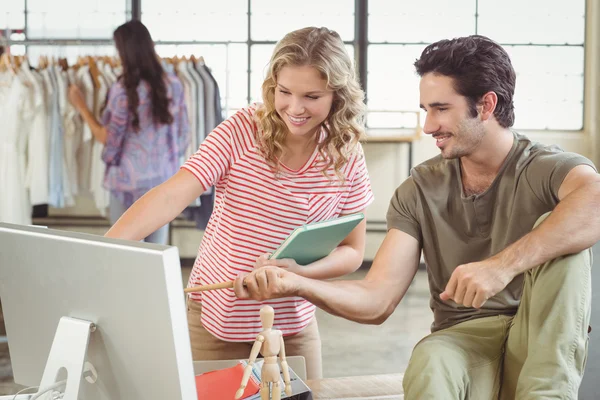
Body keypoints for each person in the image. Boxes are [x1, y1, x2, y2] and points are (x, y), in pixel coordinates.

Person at [236, 35, 600, 399]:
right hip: (465, 337)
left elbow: (594, 199)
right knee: (429, 357)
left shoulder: (543, 168)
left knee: (566, 232)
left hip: (540, 332)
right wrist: (297, 283)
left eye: (441, 109)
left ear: (486, 105)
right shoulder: (420, 189)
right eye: (426, 109)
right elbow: (377, 298)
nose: (428, 126)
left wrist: (500, 266)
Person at [102, 26, 374, 380]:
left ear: (338, 94)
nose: (295, 108)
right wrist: (105, 252)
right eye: (284, 91)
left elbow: (353, 249)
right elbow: (173, 194)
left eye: (312, 96)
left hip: (293, 330)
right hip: (214, 323)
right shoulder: (242, 129)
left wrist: (299, 276)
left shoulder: (347, 153)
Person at [68, 20, 189, 244]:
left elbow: (108, 138)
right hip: (163, 181)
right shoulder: (173, 84)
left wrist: (81, 106)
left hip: (127, 183)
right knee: (156, 255)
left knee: (125, 252)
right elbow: (183, 137)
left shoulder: (124, 91)